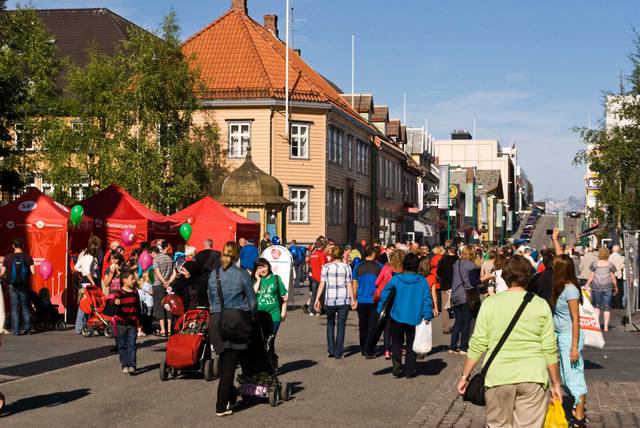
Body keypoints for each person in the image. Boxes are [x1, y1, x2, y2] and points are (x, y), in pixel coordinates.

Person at [457, 255, 563, 428]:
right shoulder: (541, 305)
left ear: (505, 277)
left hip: (498, 376)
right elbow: (550, 348)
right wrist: (555, 383)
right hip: (532, 376)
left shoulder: (490, 304)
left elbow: (477, 344)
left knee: (498, 425)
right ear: (529, 277)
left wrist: (465, 376)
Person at [208, 241, 256, 417]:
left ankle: (232, 396)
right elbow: (252, 301)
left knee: (225, 361)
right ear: (237, 256)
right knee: (229, 367)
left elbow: (211, 298)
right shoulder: (242, 274)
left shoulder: (213, 274)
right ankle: (221, 406)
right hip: (234, 321)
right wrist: (253, 316)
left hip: (216, 321)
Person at [378, 253, 433, 378]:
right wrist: (427, 315)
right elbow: (426, 299)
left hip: (397, 315)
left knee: (397, 341)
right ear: (417, 266)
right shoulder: (422, 281)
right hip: (415, 316)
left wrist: (380, 309)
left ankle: (397, 361)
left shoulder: (397, 279)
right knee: (411, 343)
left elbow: (385, 294)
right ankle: (409, 369)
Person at [552, 254, 588, 427]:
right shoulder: (562, 287)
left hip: (569, 337)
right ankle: (576, 407)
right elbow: (562, 257)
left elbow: (576, 319)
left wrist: (574, 346)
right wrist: (555, 240)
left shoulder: (571, 290)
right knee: (565, 378)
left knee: (574, 377)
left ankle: (579, 417)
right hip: (561, 336)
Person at [314, 245, 357, 359]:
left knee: (330, 324)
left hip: (330, 299)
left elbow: (322, 284)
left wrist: (317, 299)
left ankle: (331, 350)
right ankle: (339, 352)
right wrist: (353, 299)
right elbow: (349, 284)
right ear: (342, 254)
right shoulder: (347, 267)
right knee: (341, 326)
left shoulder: (326, 267)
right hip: (343, 299)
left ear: (332, 255)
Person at [353, 245, 383, 358]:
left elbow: (354, 283)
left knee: (362, 325)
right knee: (372, 326)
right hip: (374, 300)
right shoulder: (379, 267)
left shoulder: (358, 267)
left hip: (361, 299)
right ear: (373, 254)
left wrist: (354, 298)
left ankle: (362, 347)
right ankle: (368, 349)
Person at [374, 249, 405, 359]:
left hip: (387, 300)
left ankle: (387, 350)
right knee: (399, 324)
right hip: (400, 300)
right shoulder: (403, 270)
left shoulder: (386, 268)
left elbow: (377, 282)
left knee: (387, 326)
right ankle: (399, 347)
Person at [1, 238, 35, 335]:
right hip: (24, 285)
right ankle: (27, 328)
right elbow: (33, 272)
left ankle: (16, 330)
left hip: (12, 285)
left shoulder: (8, 257)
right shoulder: (28, 257)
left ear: (13, 246)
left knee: (14, 307)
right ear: (23, 245)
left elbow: (2, 272)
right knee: (25, 306)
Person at [449, 245, 480, 354]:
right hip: (466, 296)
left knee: (458, 322)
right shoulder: (471, 266)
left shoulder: (456, 264)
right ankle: (463, 347)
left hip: (455, 295)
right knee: (467, 322)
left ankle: (452, 346)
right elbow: (472, 282)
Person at [252, 258, 287, 345]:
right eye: (259, 268)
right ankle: (266, 357)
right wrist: (258, 280)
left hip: (274, 314)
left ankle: (271, 357)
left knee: (270, 340)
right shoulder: (254, 280)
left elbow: (284, 298)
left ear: (268, 266)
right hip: (259, 315)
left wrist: (283, 313)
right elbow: (252, 295)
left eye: (264, 266)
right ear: (256, 270)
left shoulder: (276, 278)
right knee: (260, 341)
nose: (263, 269)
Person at [113, 269, 141, 375]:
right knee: (122, 346)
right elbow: (112, 302)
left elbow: (138, 308)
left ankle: (132, 365)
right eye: (132, 278)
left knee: (132, 345)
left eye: (134, 278)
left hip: (132, 324)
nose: (134, 280)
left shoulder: (135, 292)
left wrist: (139, 323)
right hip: (121, 324)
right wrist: (115, 302)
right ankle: (125, 364)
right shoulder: (119, 293)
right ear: (124, 280)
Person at [585, 247, 618, 332]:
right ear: (608, 254)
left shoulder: (595, 264)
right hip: (608, 288)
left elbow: (591, 276)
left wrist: (586, 285)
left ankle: (597, 325)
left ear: (599, 254)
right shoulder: (610, 264)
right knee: (607, 307)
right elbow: (613, 277)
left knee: (596, 306)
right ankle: (606, 326)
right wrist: (616, 287)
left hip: (596, 287)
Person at [73, 237, 101, 334]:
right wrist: (92, 281)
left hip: (84, 282)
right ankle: (80, 327)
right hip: (88, 283)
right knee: (87, 305)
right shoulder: (90, 257)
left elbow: (76, 267)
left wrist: (84, 271)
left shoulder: (84, 255)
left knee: (84, 305)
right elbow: (87, 271)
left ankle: (80, 327)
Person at [153, 240, 176, 337]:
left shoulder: (156, 259)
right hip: (168, 286)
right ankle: (170, 329)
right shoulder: (170, 259)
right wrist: (168, 282)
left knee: (159, 307)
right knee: (168, 306)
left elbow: (157, 273)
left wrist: (164, 282)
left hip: (158, 285)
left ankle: (163, 330)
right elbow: (175, 273)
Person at [437, 246, 458, 334]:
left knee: (445, 307)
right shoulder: (458, 260)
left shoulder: (443, 260)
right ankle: (458, 326)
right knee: (457, 306)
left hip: (445, 285)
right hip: (457, 285)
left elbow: (439, 272)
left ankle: (446, 327)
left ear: (448, 251)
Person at [308, 239, 328, 317]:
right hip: (320, 277)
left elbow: (310, 265)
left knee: (313, 294)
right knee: (323, 294)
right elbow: (323, 266)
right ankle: (324, 308)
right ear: (321, 246)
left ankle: (312, 310)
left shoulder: (313, 254)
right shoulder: (321, 254)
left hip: (313, 277)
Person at [137, 270, 153, 336]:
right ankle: (147, 328)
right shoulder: (145, 285)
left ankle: (149, 327)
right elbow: (150, 292)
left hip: (151, 303)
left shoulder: (150, 284)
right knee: (148, 316)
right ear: (146, 278)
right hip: (148, 303)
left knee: (150, 316)